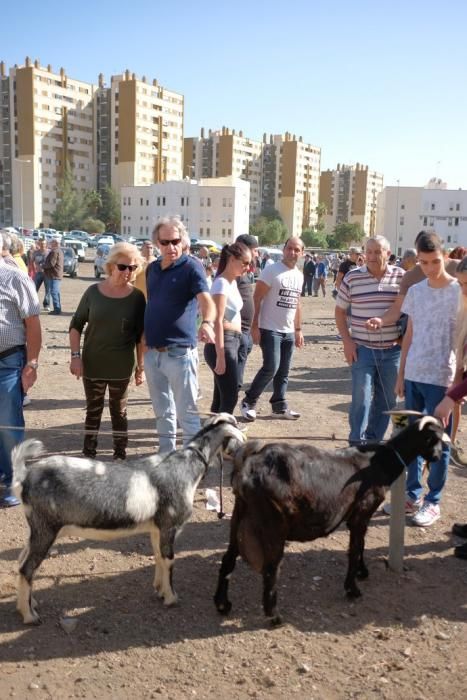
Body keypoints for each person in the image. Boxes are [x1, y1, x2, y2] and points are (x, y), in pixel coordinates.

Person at [391, 231, 458, 527]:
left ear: (444, 256)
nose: (430, 268)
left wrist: (457, 388)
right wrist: (401, 374)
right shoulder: (416, 291)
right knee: (409, 439)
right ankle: (412, 495)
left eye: (434, 261)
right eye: (423, 262)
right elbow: (409, 334)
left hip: (443, 378)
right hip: (414, 375)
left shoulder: (460, 290)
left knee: (438, 445)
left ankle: (433, 502)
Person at [143, 217, 216, 453]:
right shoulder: (152, 269)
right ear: (157, 242)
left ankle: (192, 464)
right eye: (165, 242)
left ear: (183, 239)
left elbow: (207, 301)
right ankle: (166, 457)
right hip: (153, 353)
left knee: (188, 414)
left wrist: (207, 323)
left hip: (180, 353)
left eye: (176, 240)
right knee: (162, 411)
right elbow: (151, 303)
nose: (171, 247)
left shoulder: (191, 267)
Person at [69, 242, 146, 460]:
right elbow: (76, 325)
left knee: (119, 413)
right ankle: (88, 455)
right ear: (111, 266)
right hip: (93, 363)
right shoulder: (93, 292)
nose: (127, 272)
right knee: (93, 412)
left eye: (132, 268)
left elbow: (141, 336)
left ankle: (120, 456)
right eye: (123, 267)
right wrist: (75, 357)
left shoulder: (137, 298)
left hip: (121, 367)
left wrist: (141, 367)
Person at [335, 235, 404, 445]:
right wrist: (347, 342)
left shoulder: (402, 277)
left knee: (387, 400)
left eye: (378, 251)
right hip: (362, 349)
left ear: (388, 253)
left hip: (393, 351)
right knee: (361, 399)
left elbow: (405, 310)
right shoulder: (353, 277)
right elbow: (339, 312)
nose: (372, 256)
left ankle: (373, 443)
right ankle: (356, 444)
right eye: (369, 251)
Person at [240, 237, 304, 421]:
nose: (292, 252)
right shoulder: (271, 271)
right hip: (269, 328)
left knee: (284, 370)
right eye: (289, 248)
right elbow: (256, 298)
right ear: (284, 250)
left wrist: (298, 329)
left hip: (289, 330)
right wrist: (254, 326)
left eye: (296, 249)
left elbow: (297, 303)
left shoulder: (299, 275)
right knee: (271, 367)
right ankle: (249, 401)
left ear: (301, 253)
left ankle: (279, 405)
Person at [0, 231, 42, 507]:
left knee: (7, 421)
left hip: (9, 360)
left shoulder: (15, 278)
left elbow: (33, 325)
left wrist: (32, 362)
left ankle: (14, 480)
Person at [204, 242, 251, 414]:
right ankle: (223, 433)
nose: (248, 267)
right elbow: (217, 320)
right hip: (224, 342)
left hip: (232, 341)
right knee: (230, 396)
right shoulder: (222, 283)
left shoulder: (230, 283)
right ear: (232, 259)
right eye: (245, 263)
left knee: (222, 397)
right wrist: (221, 355)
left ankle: (215, 433)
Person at [235, 234, 260, 389]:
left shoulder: (243, 273)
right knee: (233, 384)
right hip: (236, 334)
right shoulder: (232, 274)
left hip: (245, 333)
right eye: (255, 250)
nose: (257, 254)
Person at [43, 239, 64, 315]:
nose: (50, 244)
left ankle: (57, 309)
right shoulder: (59, 251)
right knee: (56, 292)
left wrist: (43, 266)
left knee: (54, 292)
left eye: (51, 243)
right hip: (56, 274)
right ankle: (58, 308)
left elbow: (51, 264)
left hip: (54, 275)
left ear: (55, 244)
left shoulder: (54, 251)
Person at [32, 238, 50, 310]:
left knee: (48, 290)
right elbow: (32, 261)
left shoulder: (49, 252)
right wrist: (34, 270)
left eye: (44, 244)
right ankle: (33, 304)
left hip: (47, 274)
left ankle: (46, 305)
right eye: (41, 244)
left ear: (46, 244)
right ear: (38, 244)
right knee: (33, 289)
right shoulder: (35, 252)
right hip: (38, 273)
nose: (42, 245)